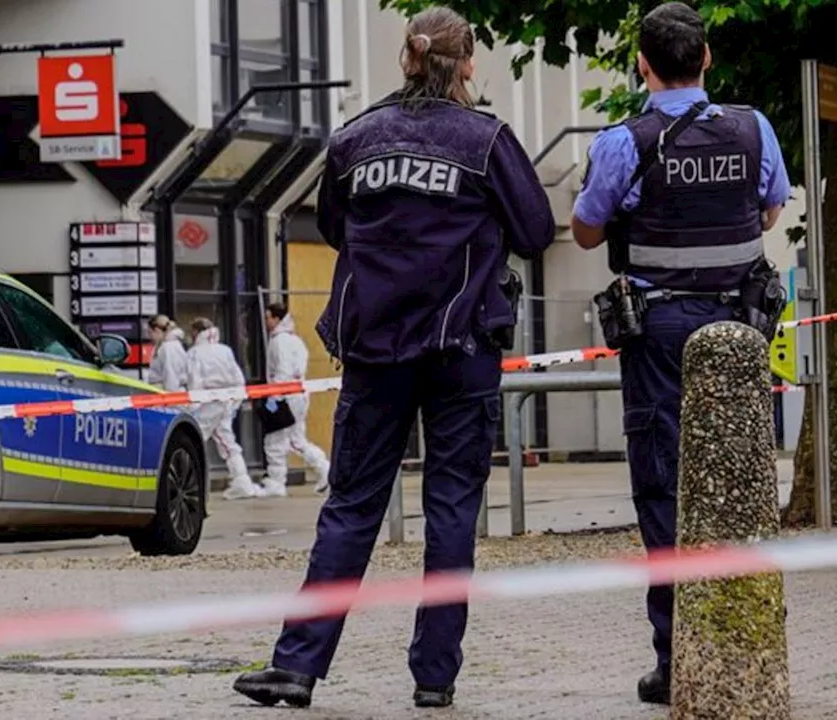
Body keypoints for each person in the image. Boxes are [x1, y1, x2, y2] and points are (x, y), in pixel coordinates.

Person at [232, 5, 554, 710]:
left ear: (406, 59)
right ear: (466, 63)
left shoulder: (355, 137)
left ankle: (297, 667)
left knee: (350, 506)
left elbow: (336, 225)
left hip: (375, 350)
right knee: (451, 508)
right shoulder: (487, 139)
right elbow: (536, 229)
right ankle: (434, 677)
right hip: (461, 347)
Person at [569, 2, 791, 706]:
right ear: (707, 58)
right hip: (741, 327)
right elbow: (770, 209)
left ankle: (678, 659)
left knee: (664, 486)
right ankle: (749, 641)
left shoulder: (623, 141)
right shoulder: (753, 128)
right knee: (742, 478)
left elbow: (583, 231)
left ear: (642, 64)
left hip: (661, 333)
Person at [186, 317, 264, 500]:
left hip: (207, 401)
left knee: (193, 439)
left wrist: (191, 405)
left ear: (197, 333)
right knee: (227, 442)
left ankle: (191, 481)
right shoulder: (225, 350)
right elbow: (237, 377)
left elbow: (194, 381)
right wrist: (235, 401)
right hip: (226, 399)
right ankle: (242, 481)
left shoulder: (195, 353)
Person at [262, 303, 331, 496]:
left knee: (277, 440)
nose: (266, 321)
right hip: (298, 393)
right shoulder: (295, 340)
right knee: (296, 438)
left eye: (268, 317)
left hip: (286, 394)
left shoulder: (279, 341)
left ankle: (276, 482)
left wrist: (274, 396)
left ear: (276, 318)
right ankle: (324, 468)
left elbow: (282, 370)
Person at [146, 314, 188, 392]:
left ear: (156, 330)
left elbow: (171, 375)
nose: (150, 336)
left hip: (171, 396)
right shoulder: (166, 345)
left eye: (150, 332)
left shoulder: (169, 347)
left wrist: (170, 399)